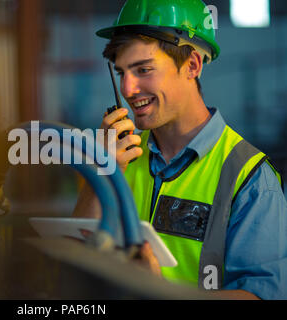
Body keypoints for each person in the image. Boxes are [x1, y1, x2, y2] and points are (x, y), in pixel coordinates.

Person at [72, 0, 287, 300]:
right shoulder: (119, 157)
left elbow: (261, 295)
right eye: (121, 72)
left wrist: (161, 292)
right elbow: (77, 261)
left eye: (143, 69)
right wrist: (103, 174)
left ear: (192, 66)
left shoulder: (249, 177)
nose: (128, 88)